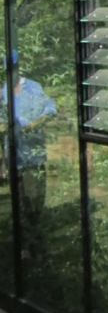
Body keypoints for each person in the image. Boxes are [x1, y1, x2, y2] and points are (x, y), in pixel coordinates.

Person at [0, 51, 57, 222]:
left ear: (18, 67)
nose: (10, 72)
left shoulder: (33, 87)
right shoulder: (3, 91)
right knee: (18, 197)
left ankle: (36, 226)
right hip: (14, 154)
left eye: (13, 68)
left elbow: (50, 110)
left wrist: (35, 124)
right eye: (7, 69)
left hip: (33, 153)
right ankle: (24, 229)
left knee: (35, 195)